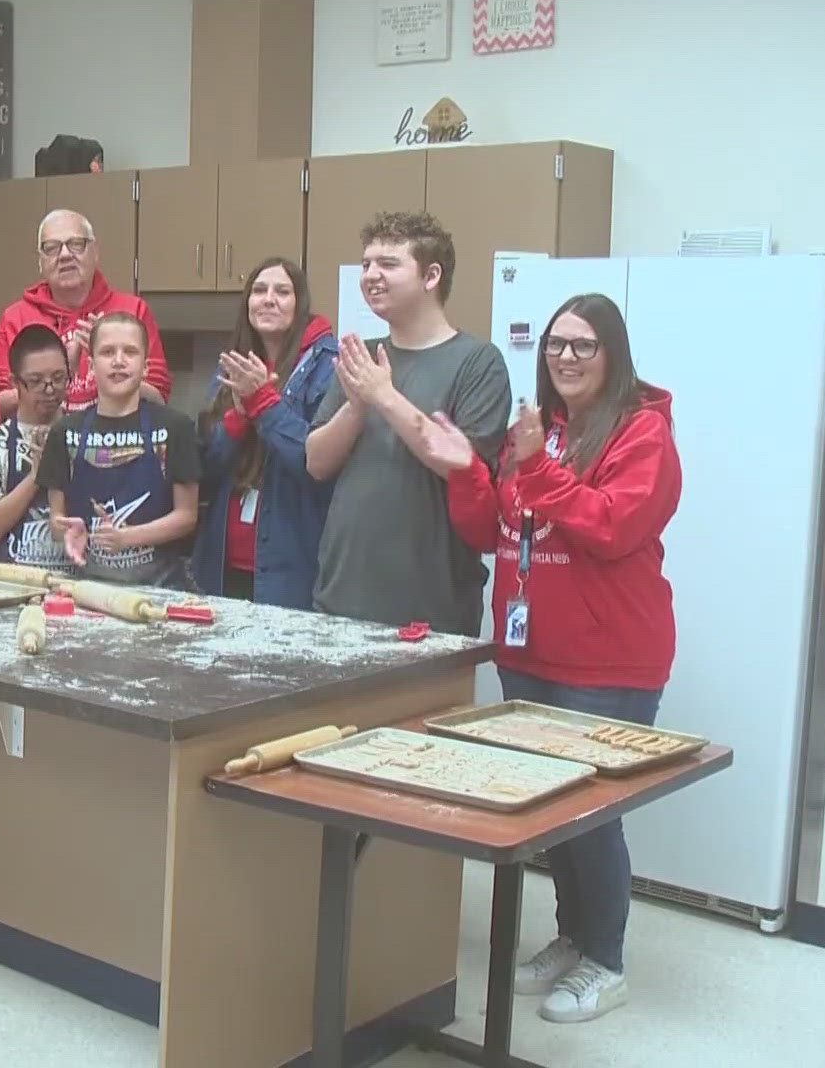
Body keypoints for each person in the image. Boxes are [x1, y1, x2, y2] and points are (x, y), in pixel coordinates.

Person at [419, 293, 682, 1024]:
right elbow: (488, 527)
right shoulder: (535, 431)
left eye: (584, 346)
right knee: (550, 812)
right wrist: (467, 472)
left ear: (613, 354)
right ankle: (571, 936)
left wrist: (537, 469)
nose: (565, 357)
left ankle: (607, 959)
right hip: (529, 650)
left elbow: (610, 527)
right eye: (556, 346)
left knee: (594, 815)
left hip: (608, 662)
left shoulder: (642, 434)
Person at [305, 211, 511, 635]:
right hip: (341, 596)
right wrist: (358, 406)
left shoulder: (478, 361)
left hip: (430, 608)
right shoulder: (363, 356)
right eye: (366, 264)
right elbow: (316, 462)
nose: (370, 276)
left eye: (388, 264)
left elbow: (463, 466)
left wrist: (383, 395)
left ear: (431, 275)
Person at [191, 258, 338, 607]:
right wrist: (238, 420)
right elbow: (205, 471)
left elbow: (315, 465)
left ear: (299, 303)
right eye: (258, 290)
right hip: (223, 565)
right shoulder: (232, 366)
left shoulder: (327, 364)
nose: (268, 299)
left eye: (282, 291)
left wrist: (264, 406)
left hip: (293, 567)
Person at [41, 313, 200, 588]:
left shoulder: (175, 427)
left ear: (146, 366)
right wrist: (69, 529)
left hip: (162, 588)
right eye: (107, 352)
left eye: (130, 351)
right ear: (90, 366)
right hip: (87, 590)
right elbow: (56, 518)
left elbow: (187, 517)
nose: (118, 361)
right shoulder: (64, 432)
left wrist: (128, 538)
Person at [0, 209, 173, 415]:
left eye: (76, 244)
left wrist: (106, 362)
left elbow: (158, 398)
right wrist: (59, 373)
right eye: (52, 248)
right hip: (42, 442)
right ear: (40, 261)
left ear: (95, 251)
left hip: (116, 440)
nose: (64, 255)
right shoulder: (15, 318)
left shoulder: (133, 310)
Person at [0, 324, 73, 572]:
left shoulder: (84, 436)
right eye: (36, 382)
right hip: (11, 583)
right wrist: (37, 475)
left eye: (59, 378)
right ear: (14, 382)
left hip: (74, 583)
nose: (50, 390)